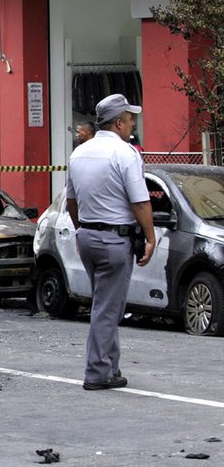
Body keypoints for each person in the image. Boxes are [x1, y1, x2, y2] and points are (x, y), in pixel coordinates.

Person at [66, 93, 155, 391]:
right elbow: (140, 201)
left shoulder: (78, 153)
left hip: (87, 236)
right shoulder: (126, 153)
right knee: (107, 308)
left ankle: (110, 367)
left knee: (105, 303)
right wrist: (151, 237)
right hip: (114, 240)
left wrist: (83, 229)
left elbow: (71, 202)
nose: (132, 124)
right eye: (130, 119)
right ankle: (97, 372)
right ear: (118, 122)